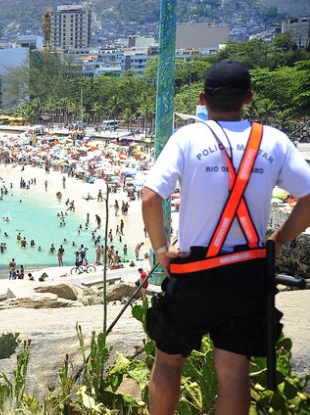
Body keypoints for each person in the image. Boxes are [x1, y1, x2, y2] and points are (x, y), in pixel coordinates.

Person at [142, 60, 310, 415]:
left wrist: (160, 251)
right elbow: (309, 196)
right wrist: (278, 241)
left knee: (169, 363)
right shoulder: (274, 141)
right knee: (234, 372)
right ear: (247, 98)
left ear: (203, 98)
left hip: (194, 274)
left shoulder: (187, 137)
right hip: (248, 274)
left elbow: (150, 197)